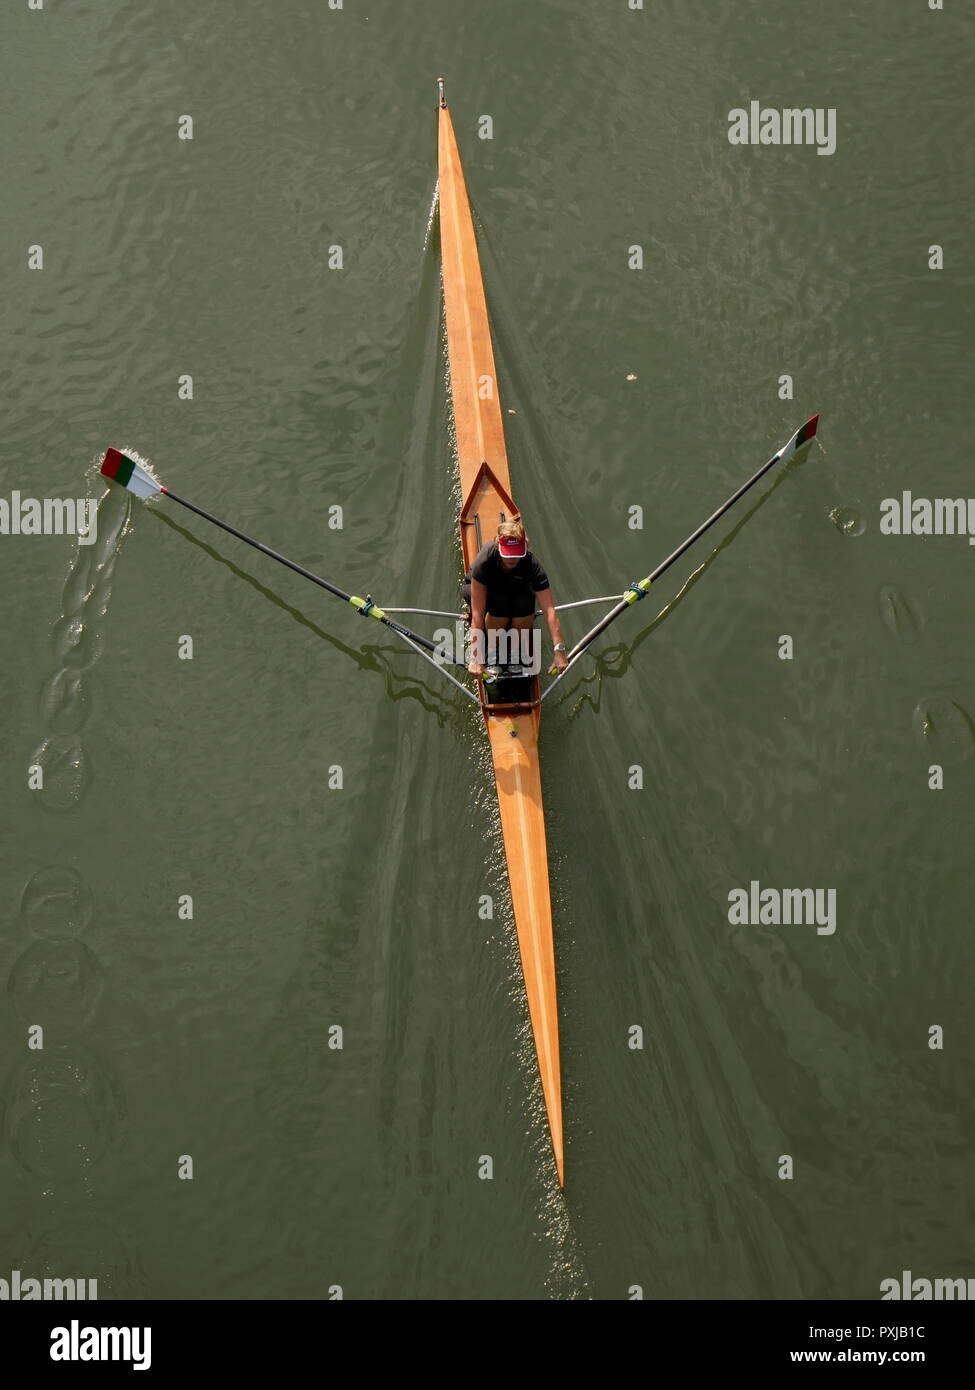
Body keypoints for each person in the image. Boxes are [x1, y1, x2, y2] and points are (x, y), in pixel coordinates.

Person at [463, 519, 569, 676]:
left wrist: (559, 651)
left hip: (514, 588)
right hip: (486, 590)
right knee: (501, 605)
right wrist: (475, 657)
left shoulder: (533, 565)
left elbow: (550, 612)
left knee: (526, 603)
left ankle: (514, 649)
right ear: (499, 545)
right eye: (507, 553)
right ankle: (492, 650)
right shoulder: (484, 562)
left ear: (525, 546)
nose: (511, 559)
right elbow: (477, 615)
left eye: (516, 553)